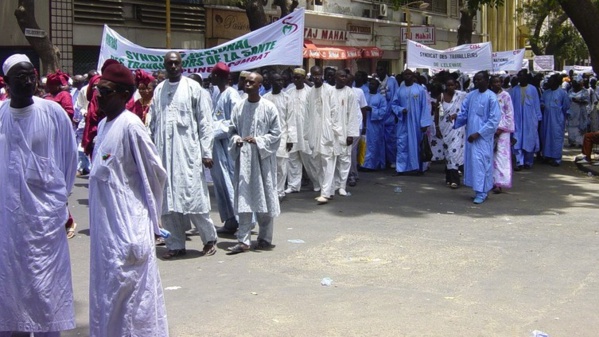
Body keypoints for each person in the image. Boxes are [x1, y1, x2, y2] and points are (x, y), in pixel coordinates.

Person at [88, 62, 169, 337]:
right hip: (106, 232)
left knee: (133, 303)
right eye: (98, 90)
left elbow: (155, 173)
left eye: (105, 91)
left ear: (123, 95)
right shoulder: (102, 125)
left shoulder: (131, 126)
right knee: (109, 298)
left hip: (127, 231)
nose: (98, 95)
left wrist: (148, 221)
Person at [0, 54, 77, 336]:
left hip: (45, 223)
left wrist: (57, 204)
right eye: (20, 77)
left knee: (46, 292)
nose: (29, 81)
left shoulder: (53, 113)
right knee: (10, 290)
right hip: (8, 225)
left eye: (32, 74)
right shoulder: (1, 116)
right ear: (6, 83)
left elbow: (69, 161)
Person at [149, 51, 218, 259]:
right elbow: (152, 122)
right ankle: (175, 243)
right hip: (164, 153)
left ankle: (209, 239)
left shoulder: (193, 88)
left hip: (188, 152)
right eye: (169, 63)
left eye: (176, 63)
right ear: (164, 65)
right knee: (168, 202)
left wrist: (206, 152)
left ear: (181, 65)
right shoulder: (159, 90)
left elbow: (206, 122)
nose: (172, 66)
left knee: (194, 198)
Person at [227, 72, 281, 254]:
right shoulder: (239, 107)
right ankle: (243, 240)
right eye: (246, 82)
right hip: (244, 160)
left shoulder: (269, 107)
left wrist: (258, 140)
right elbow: (232, 130)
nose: (247, 85)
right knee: (244, 199)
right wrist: (237, 140)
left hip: (262, 160)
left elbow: (276, 134)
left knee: (264, 196)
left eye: (252, 82)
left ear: (259, 85)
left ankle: (265, 237)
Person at [451, 71, 500, 204]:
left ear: (486, 81)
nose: (477, 82)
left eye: (479, 80)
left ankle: (482, 192)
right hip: (471, 136)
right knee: (473, 164)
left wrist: (478, 133)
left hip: (483, 138)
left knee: (482, 163)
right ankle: (479, 190)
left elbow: (494, 120)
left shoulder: (491, 97)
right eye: (475, 80)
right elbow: (464, 113)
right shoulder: (471, 95)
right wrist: (457, 118)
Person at [209, 62, 241, 234]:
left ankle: (243, 221)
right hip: (217, 148)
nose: (211, 78)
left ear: (219, 77)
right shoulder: (217, 94)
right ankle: (230, 220)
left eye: (213, 75)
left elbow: (235, 121)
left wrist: (215, 129)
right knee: (221, 185)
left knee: (232, 184)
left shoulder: (231, 94)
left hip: (229, 147)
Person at [390, 69, 432, 174]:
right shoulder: (399, 90)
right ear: (403, 76)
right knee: (401, 144)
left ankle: (416, 167)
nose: (407, 76)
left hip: (416, 123)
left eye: (409, 74)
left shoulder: (420, 90)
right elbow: (394, 104)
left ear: (413, 76)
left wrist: (424, 123)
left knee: (416, 145)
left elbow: (424, 107)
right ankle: (401, 168)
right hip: (403, 122)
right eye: (405, 74)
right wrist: (400, 110)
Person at [306, 66, 337, 204]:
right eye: (314, 75)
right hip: (314, 132)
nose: (316, 77)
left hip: (327, 132)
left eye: (319, 74)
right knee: (317, 162)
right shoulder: (310, 92)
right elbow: (307, 115)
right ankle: (327, 191)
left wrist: (334, 131)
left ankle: (325, 192)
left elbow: (335, 112)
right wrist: (308, 134)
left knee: (327, 161)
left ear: (322, 75)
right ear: (311, 76)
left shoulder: (330, 90)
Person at [263, 72, 294, 200]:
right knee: (270, 166)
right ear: (271, 82)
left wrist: (291, 138)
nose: (280, 83)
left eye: (281, 80)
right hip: (269, 137)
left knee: (281, 165)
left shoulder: (287, 98)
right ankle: (270, 192)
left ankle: (280, 192)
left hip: (283, 135)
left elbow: (291, 119)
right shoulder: (265, 98)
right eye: (277, 80)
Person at [285, 68, 315, 193]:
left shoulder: (310, 92)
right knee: (292, 159)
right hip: (292, 131)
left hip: (306, 131)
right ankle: (293, 185)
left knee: (310, 160)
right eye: (294, 77)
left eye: (298, 77)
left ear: (304, 78)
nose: (295, 80)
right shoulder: (289, 92)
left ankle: (318, 183)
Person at [331, 69, 360, 196]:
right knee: (332, 159)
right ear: (335, 78)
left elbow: (353, 115)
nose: (344, 78)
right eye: (341, 76)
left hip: (344, 131)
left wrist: (351, 134)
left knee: (345, 159)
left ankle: (342, 185)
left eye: (345, 76)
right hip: (331, 131)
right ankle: (332, 185)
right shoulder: (329, 91)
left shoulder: (350, 93)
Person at [434, 77, 466, 188]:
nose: (450, 87)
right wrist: (437, 127)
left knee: (454, 152)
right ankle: (448, 177)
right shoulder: (441, 97)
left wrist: (459, 116)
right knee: (448, 153)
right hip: (445, 129)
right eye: (448, 85)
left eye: (452, 85)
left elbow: (467, 107)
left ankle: (455, 180)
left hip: (457, 128)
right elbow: (439, 113)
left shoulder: (461, 96)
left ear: (456, 86)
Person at [509, 69, 542, 170]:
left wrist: (538, 117)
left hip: (530, 120)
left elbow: (537, 104)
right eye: (519, 76)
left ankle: (528, 162)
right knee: (517, 140)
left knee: (529, 140)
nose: (520, 78)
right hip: (517, 120)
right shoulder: (514, 90)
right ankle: (519, 162)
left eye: (522, 76)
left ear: (526, 77)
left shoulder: (533, 89)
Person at [490, 75, 515, 193]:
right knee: (489, 156)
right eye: (494, 82)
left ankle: (499, 183)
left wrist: (501, 129)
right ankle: (489, 181)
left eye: (499, 82)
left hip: (502, 131)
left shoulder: (506, 96)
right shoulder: (488, 95)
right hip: (489, 130)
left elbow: (509, 114)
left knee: (500, 156)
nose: (497, 84)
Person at [541, 74, 571, 166]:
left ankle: (556, 158)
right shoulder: (546, 92)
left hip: (557, 120)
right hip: (546, 119)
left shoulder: (562, 93)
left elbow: (566, 106)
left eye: (551, 80)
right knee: (546, 136)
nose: (549, 82)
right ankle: (547, 156)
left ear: (556, 82)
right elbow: (542, 101)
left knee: (556, 137)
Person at [376, 64, 400, 168]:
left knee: (391, 140)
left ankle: (393, 160)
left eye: (381, 69)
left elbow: (396, 96)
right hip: (379, 115)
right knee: (379, 139)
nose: (379, 72)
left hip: (390, 114)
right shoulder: (376, 82)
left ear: (385, 70)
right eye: (378, 70)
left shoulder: (392, 81)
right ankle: (381, 161)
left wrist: (394, 113)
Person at [362, 76, 387, 170]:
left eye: (373, 84)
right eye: (370, 84)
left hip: (374, 124)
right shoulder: (364, 95)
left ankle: (371, 165)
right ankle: (362, 163)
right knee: (363, 142)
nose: (371, 85)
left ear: (377, 86)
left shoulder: (381, 98)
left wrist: (372, 110)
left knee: (373, 143)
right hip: (364, 122)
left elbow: (383, 111)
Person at [567, 76, 589, 148]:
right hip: (572, 111)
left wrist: (579, 101)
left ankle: (579, 142)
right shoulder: (570, 91)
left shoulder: (584, 91)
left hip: (580, 111)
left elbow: (587, 102)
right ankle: (572, 141)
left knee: (580, 126)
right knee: (571, 126)